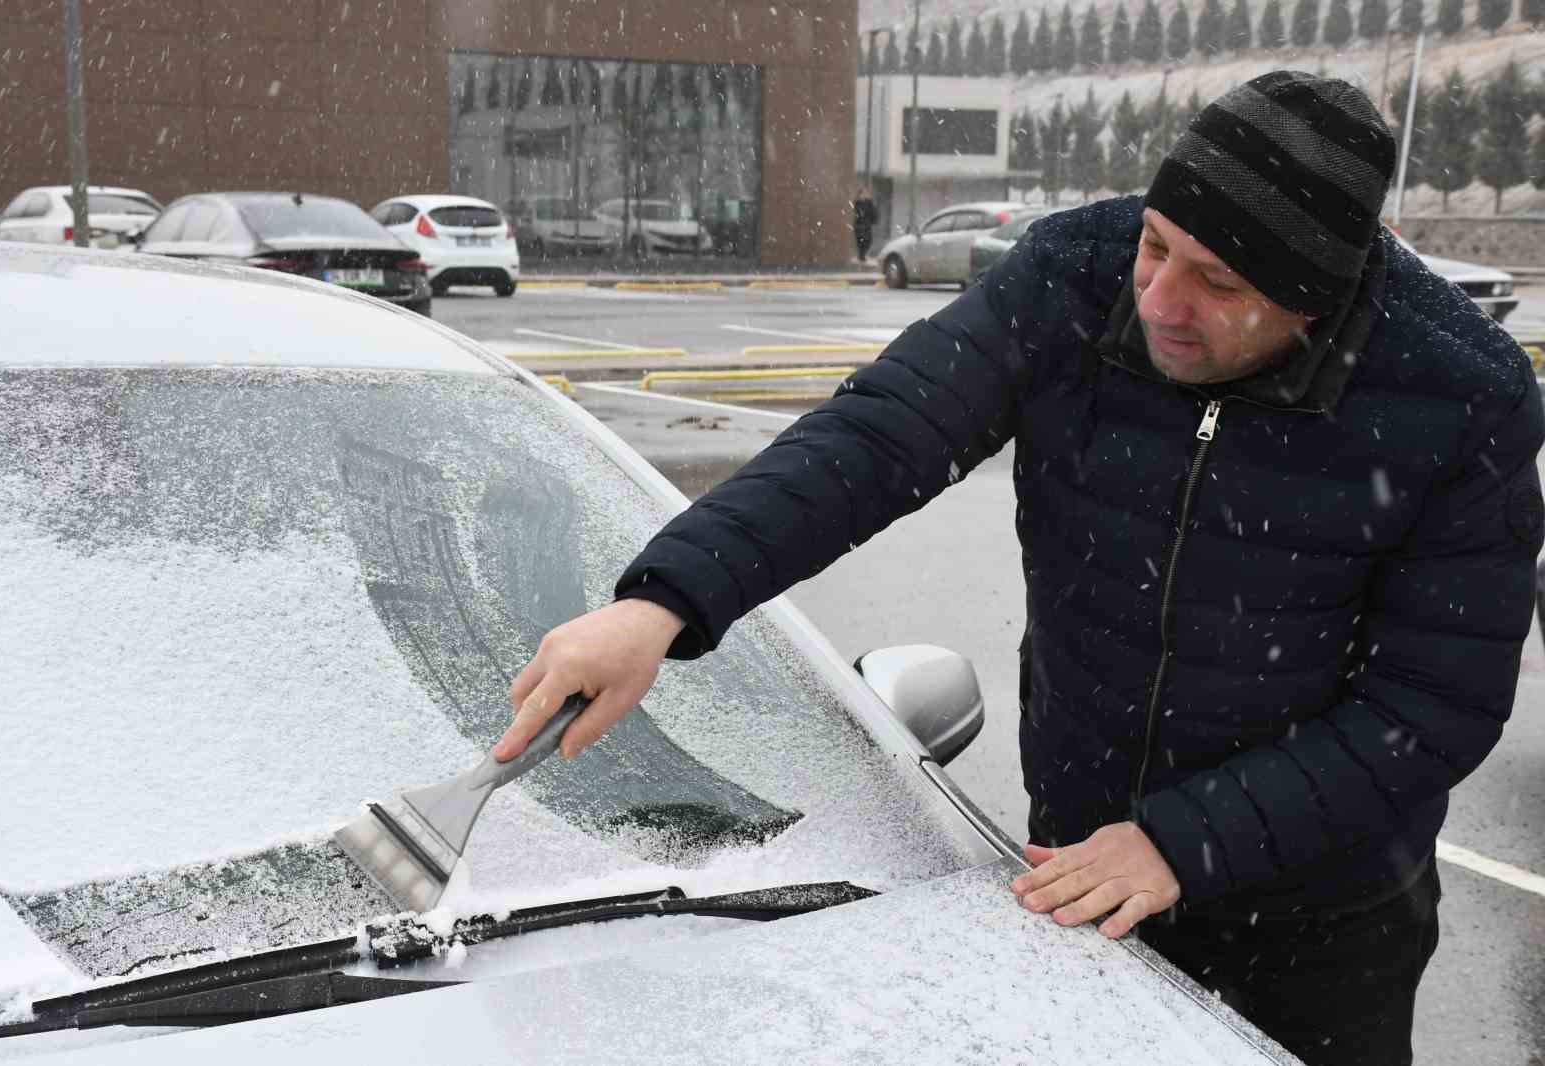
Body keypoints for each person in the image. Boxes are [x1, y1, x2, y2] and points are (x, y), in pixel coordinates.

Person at [494, 71, 1544, 1066]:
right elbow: (881, 436)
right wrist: (666, 599)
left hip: (1325, 926)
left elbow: (1427, 707)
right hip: (1077, 872)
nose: (1158, 298)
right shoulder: (1071, 278)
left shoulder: (1458, 396)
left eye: (1216, 282)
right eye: (1155, 244)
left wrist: (1182, 843)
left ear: (1313, 301)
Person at [852, 185, 877, 262]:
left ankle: (862, 255)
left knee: (868, 241)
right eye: (862, 193)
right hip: (860, 225)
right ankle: (861, 255)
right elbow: (858, 214)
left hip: (866, 225)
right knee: (861, 241)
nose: (864, 195)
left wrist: (872, 220)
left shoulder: (869, 203)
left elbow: (873, 213)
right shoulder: (857, 203)